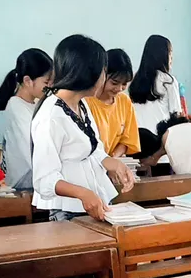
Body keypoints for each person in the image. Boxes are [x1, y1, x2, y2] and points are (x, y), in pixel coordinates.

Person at [31, 35, 135, 221]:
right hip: (67, 210)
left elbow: (93, 150)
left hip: (94, 201)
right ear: (88, 73)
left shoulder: (81, 104)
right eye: (103, 72)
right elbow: (44, 180)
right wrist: (82, 193)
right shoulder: (51, 116)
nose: (103, 78)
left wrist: (114, 164)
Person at [0, 48, 54, 190]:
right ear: (27, 81)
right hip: (23, 184)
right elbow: (33, 150)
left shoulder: (35, 103)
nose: (50, 87)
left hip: (35, 179)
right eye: (46, 82)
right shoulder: (16, 106)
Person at [130, 35, 183, 156]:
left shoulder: (135, 80)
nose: (172, 59)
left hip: (137, 143)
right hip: (159, 147)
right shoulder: (168, 81)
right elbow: (176, 116)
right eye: (170, 54)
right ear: (163, 55)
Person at [85, 49, 141, 158]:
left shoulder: (124, 102)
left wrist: (113, 159)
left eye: (124, 84)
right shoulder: (86, 101)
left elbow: (127, 140)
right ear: (102, 75)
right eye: (114, 83)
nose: (119, 88)